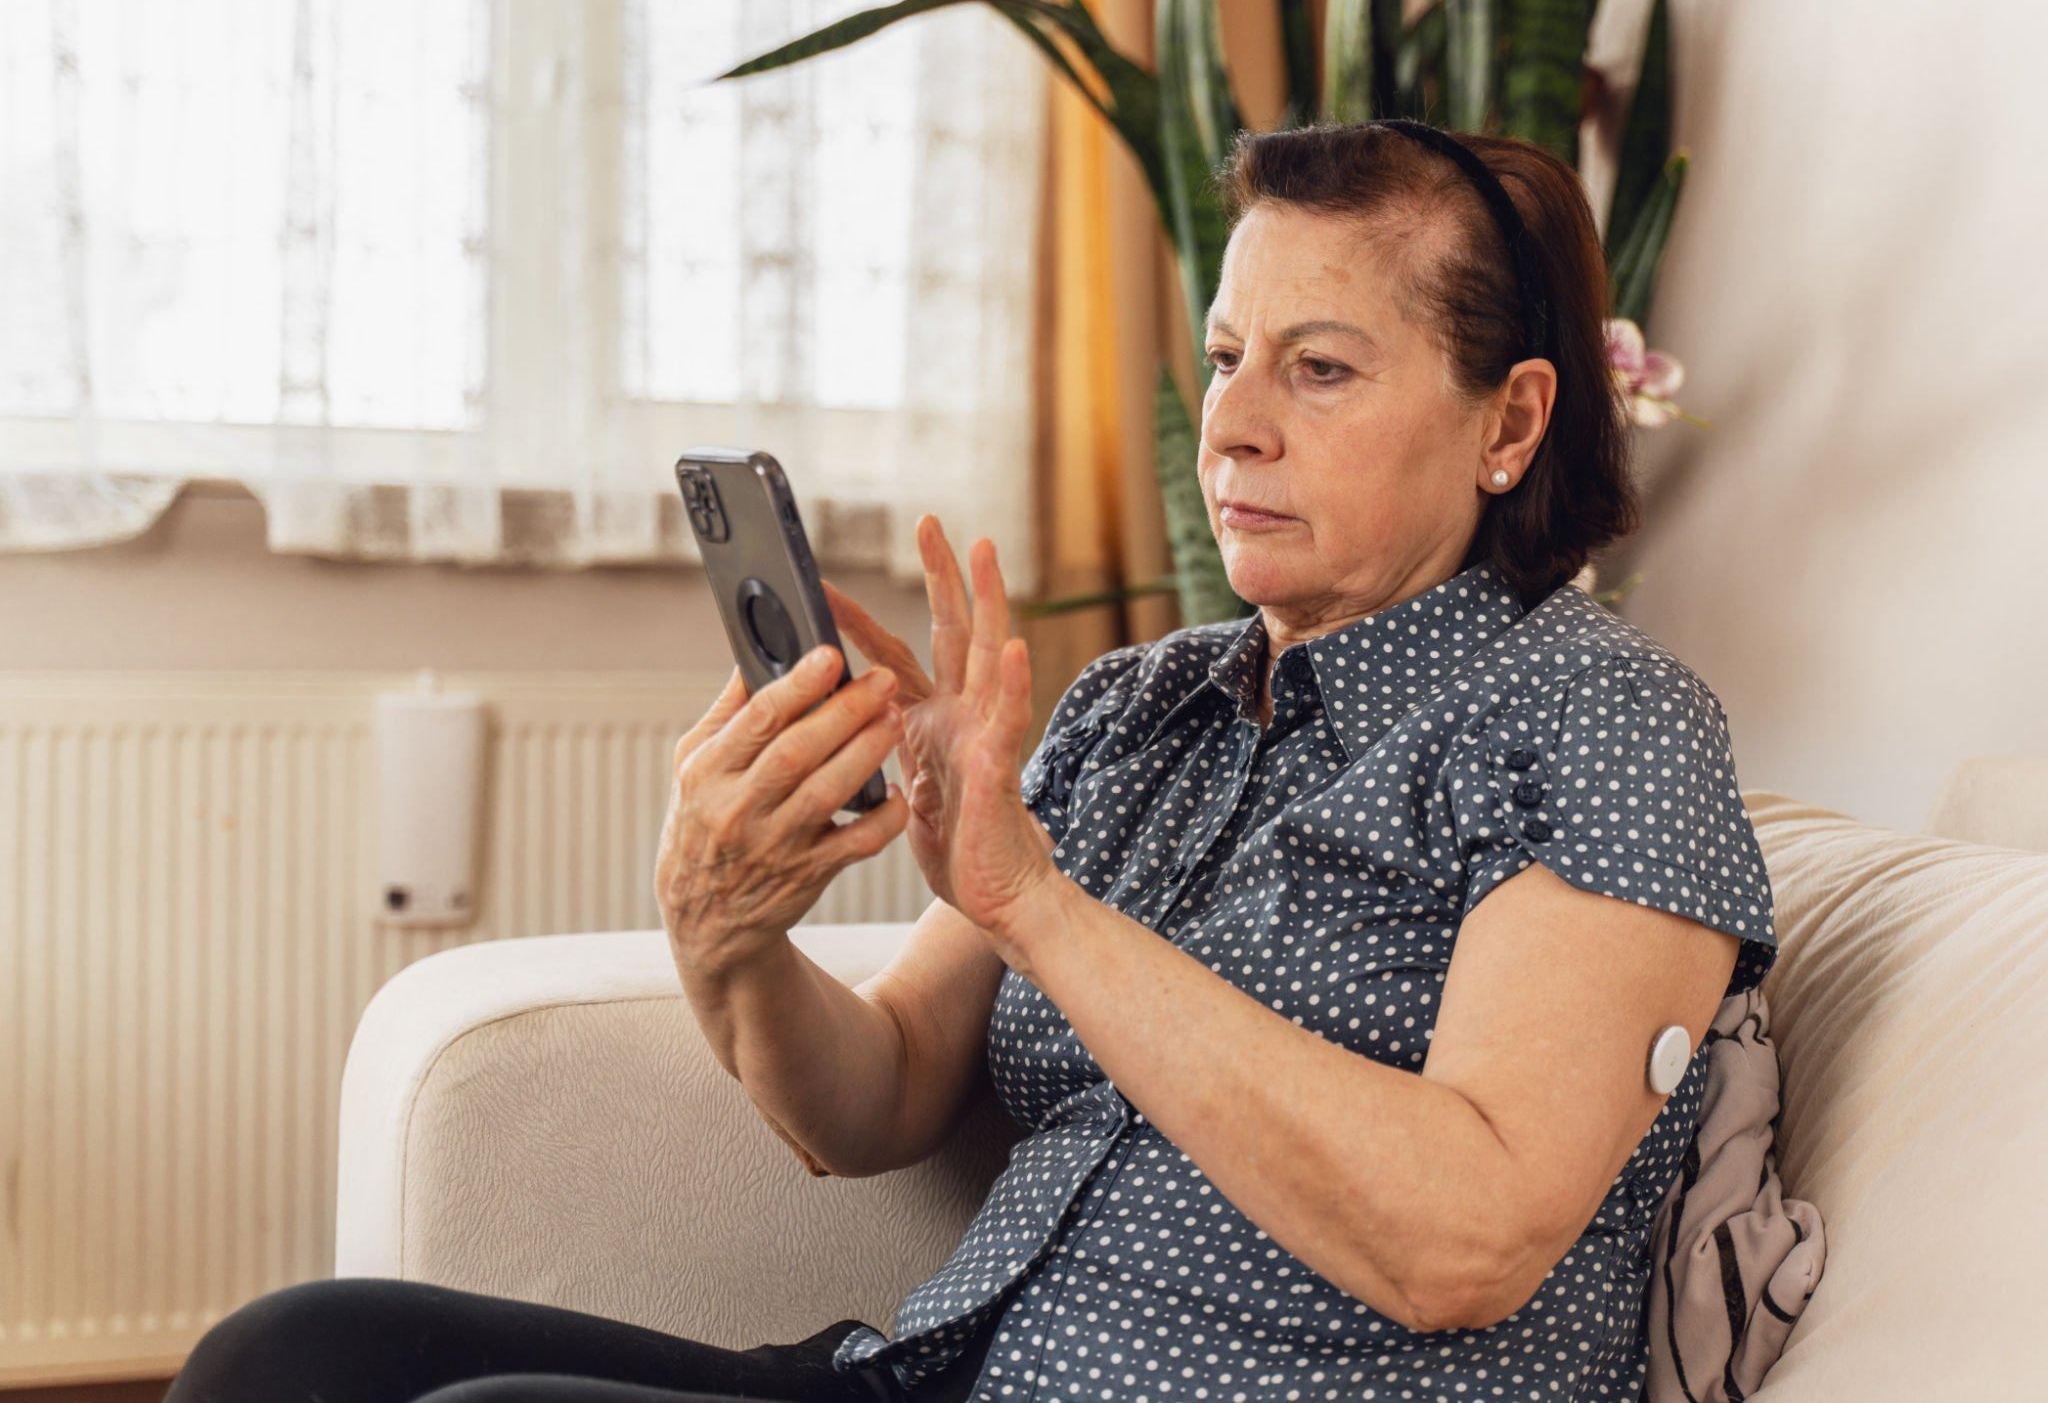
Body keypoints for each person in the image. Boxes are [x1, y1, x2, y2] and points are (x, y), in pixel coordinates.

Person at [168, 118, 1776, 1403]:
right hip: (944, 1371)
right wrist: (725, 934)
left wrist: (1041, 905)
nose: (1231, 425)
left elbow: (1468, 1241)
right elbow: (871, 1102)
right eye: (1226, 356)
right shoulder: (1139, 708)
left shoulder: (1603, 720)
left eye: (1322, 367)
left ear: (1509, 425)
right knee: (294, 1359)